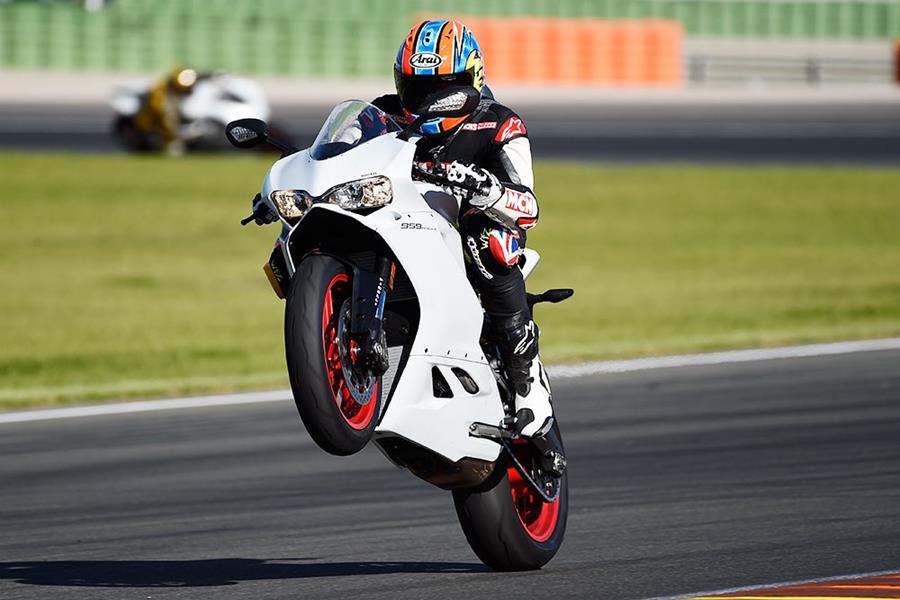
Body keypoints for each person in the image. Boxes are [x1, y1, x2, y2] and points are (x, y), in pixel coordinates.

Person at [373, 19, 553, 440]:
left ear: (474, 78)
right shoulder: (383, 113)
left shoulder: (500, 124)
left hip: (468, 232)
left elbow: (528, 207)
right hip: (402, 220)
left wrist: (486, 189)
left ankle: (527, 382)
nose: (431, 100)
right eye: (419, 89)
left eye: (445, 87)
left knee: (485, 238)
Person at [133, 66, 197, 155]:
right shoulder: (161, 93)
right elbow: (162, 115)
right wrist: (174, 136)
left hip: (160, 130)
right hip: (151, 130)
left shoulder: (174, 95)